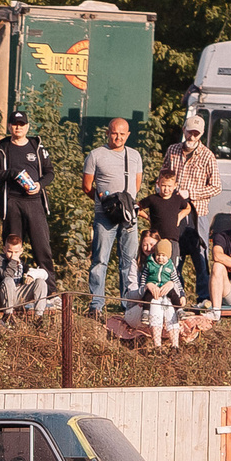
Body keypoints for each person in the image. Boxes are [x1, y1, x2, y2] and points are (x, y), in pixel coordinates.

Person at [82, 117, 142, 317]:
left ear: (128, 135)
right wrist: (104, 205)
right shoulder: (96, 155)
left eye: (122, 134)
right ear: (107, 133)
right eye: (114, 133)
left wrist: (124, 205)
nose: (118, 137)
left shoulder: (134, 156)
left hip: (128, 216)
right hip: (104, 216)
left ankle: (128, 305)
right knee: (100, 260)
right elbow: (87, 186)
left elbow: (137, 185)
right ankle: (96, 305)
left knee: (128, 261)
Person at [160, 115, 219, 305]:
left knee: (200, 254)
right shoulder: (173, 150)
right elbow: (162, 175)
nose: (192, 136)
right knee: (175, 253)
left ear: (201, 134)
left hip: (197, 212)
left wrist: (190, 193)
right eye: (189, 132)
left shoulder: (208, 155)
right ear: (184, 130)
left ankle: (204, 297)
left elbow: (216, 187)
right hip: (174, 212)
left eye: (196, 133)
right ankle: (178, 294)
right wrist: (162, 192)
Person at [0, 111, 53, 277]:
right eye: (15, 124)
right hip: (12, 202)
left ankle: (50, 290)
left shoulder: (37, 146)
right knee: (12, 248)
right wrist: (11, 173)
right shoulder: (2, 147)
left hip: (34, 201)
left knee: (41, 246)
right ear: (9, 126)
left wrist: (40, 185)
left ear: (27, 127)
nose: (18, 127)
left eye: (21, 124)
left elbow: (50, 173)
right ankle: (11, 284)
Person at [141, 238, 181, 347]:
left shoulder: (170, 266)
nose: (160, 258)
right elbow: (140, 283)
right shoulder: (148, 264)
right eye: (158, 255)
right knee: (155, 303)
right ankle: (157, 345)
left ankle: (175, 345)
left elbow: (176, 280)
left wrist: (173, 285)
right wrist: (146, 286)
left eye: (163, 255)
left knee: (170, 305)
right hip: (148, 298)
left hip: (166, 295)